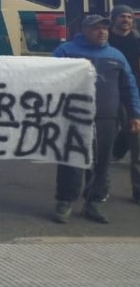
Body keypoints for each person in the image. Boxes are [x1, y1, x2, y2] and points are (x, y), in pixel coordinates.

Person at [52, 14, 140, 224]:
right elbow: (47, 78)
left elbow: (129, 87)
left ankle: (94, 202)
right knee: (71, 160)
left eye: (105, 29)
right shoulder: (65, 51)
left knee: (102, 162)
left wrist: (135, 114)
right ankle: (65, 201)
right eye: (96, 29)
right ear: (84, 31)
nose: (102, 32)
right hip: (72, 117)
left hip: (106, 118)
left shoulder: (116, 55)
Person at [107, 5, 140, 203]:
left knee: (135, 134)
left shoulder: (137, 40)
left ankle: (137, 189)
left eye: (129, 16)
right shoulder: (105, 39)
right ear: (113, 19)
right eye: (121, 16)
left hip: (132, 90)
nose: (126, 20)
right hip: (108, 90)